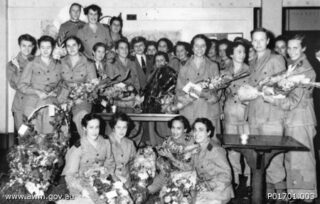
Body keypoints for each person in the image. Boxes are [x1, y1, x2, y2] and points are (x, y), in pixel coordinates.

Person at [263, 34, 318, 202]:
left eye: (296, 47)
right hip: (292, 121)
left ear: (303, 49)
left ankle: (306, 198)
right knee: (292, 161)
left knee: (302, 163)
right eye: (289, 47)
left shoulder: (305, 69)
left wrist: (272, 99)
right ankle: (296, 196)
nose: (291, 51)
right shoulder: (293, 66)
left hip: (301, 120)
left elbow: (293, 101)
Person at [247, 28, 286, 193]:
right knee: (261, 162)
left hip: (271, 117)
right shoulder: (253, 61)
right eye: (255, 40)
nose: (258, 43)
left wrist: (265, 90)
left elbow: (283, 87)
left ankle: (282, 197)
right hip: (255, 116)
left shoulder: (276, 59)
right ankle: (269, 197)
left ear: (268, 40)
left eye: (261, 40)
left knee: (274, 161)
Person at [167, 118, 234, 204]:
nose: (196, 134)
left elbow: (226, 175)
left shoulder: (215, 150)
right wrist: (174, 160)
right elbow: (191, 167)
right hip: (203, 188)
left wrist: (209, 186)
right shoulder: (197, 147)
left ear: (208, 132)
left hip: (218, 191)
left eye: (201, 130)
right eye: (195, 130)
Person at [62, 113, 115, 203]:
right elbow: (70, 175)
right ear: (84, 128)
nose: (94, 131)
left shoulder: (106, 142)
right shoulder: (78, 148)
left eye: (97, 127)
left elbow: (110, 163)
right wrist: (82, 190)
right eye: (91, 127)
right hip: (81, 184)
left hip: (101, 180)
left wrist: (107, 177)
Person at [176, 34, 221, 137]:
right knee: (191, 145)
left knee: (210, 145)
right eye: (197, 45)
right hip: (189, 112)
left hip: (208, 111)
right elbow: (179, 92)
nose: (199, 49)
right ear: (192, 48)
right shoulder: (184, 68)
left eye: (203, 46)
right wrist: (202, 92)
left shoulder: (213, 66)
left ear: (207, 47)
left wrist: (193, 89)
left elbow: (217, 92)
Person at [18, 35, 62, 134]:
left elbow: (61, 84)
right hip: (33, 102)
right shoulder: (32, 63)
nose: (45, 50)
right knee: (30, 134)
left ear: (53, 48)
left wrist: (55, 92)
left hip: (50, 103)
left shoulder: (58, 64)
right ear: (38, 47)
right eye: (42, 47)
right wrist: (37, 92)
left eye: (48, 47)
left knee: (50, 133)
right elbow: (22, 85)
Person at [222, 41, 251, 189]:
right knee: (232, 148)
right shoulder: (224, 71)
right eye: (239, 51)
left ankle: (249, 179)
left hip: (245, 113)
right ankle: (235, 180)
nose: (243, 54)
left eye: (244, 52)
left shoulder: (251, 70)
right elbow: (221, 93)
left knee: (247, 147)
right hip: (229, 113)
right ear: (231, 54)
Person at [58, 36, 97, 137]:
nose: (71, 48)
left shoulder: (89, 63)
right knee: (57, 121)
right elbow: (57, 81)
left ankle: (87, 146)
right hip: (63, 97)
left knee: (81, 117)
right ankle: (63, 149)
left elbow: (93, 86)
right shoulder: (60, 62)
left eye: (74, 45)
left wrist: (80, 97)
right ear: (65, 48)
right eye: (68, 46)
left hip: (83, 98)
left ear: (79, 46)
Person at [7, 34, 37, 132]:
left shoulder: (38, 61)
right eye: (24, 46)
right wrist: (19, 69)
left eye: (29, 46)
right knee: (22, 134)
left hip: (35, 103)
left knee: (36, 136)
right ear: (19, 46)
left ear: (33, 47)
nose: (27, 49)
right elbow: (15, 85)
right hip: (20, 105)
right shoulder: (12, 64)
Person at [108, 112, 136, 186]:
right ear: (113, 127)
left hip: (127, 179)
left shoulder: (130, 143)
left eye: (124, 127)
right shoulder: (106, 143)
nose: (122, 131)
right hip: (109, 179)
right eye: (118, 127)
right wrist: (116, 178)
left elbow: (133, 163)